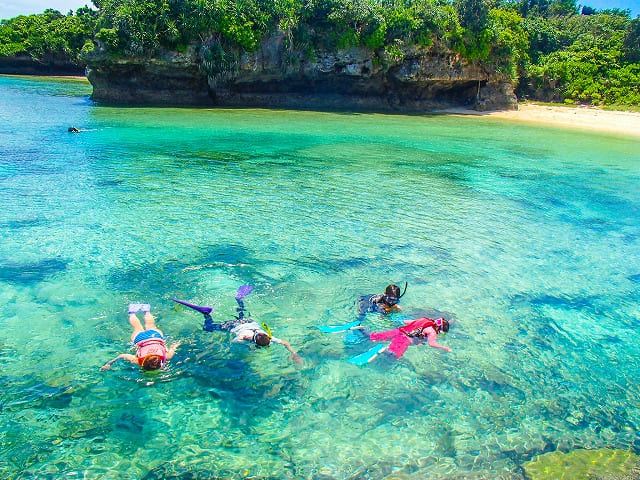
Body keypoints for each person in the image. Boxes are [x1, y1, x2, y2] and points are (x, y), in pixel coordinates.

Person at [172, 285, 302, 365]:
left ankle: (239, 300)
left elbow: (285, 342)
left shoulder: (266, 336)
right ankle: (206, 314)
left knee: (241, 315)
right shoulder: (247, 337)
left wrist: (294, 353)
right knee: (208, 328)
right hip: (235, 326)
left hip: (248, 322)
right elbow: (233, 341)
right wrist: (244, 343)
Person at [100, 304, 181, 371]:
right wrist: (108, 364)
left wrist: (177, 344)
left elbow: (174, 346)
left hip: (155, 336)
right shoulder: (137, 361)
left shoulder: (167, 356)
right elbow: (122, 355)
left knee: (150, 325)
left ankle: (146, 310)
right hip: (140, 339)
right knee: (137, 327)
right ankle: (132, 312)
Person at [351, 316, 451, 363]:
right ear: (439, 328)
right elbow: (431, 343)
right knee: (394, 356)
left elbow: (406, 322)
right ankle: (382, 350)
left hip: (398, 331)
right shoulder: (433, 332)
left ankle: (359, 327)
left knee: (373, 336)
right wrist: (444, 347)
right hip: (403, 340)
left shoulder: (425, 320)